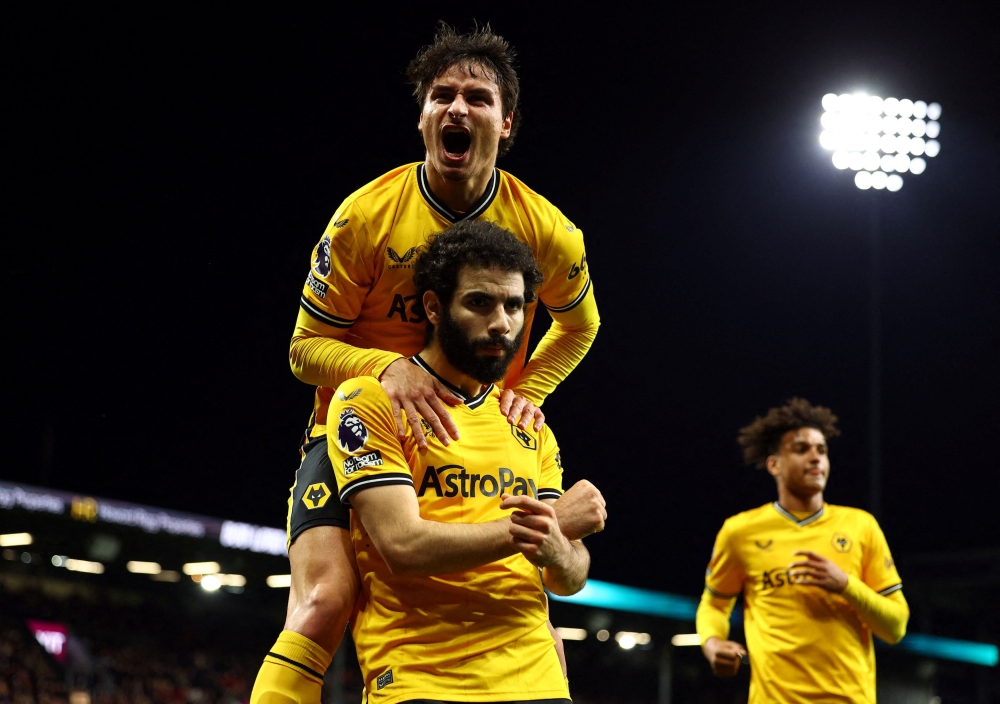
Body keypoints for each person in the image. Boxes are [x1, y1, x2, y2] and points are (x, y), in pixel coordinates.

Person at [250, 23, 602, 704]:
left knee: (524, 603)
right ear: (421, 118)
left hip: (475, 425)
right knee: (325, 603)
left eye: (477, 96)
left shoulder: (548, 230)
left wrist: (529, 393)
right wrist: (388, 369)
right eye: (441, 95)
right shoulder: (364, 218)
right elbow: (302, 348)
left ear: (508, 123)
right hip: (358, 424)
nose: (457, 108)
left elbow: (581, 326)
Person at [329, 220, 596, 702]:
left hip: (537, 680)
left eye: (514, 306)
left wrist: (559, 546)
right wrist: (546, 522)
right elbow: (402, 546)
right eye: (479, 303)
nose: (502, 324)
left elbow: (568, 577)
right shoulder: (367, 401)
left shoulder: (529, 425)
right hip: (421, 679)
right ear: (433, 307)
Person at [696, 398, 909, 703]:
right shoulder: (740, 531)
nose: (815, 458)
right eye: (801, 449)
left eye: (822, 450)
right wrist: (713, 643)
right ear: (774, 464)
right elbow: (714, 604)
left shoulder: (861, 526)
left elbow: (896, 627)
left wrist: (846, 585)